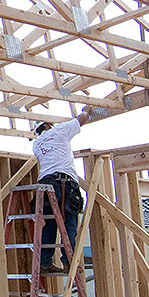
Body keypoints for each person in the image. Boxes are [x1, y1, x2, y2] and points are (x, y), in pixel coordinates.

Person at [32, 105, 92, 276]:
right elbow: (82, 119)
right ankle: (69, 263)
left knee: (50, 224)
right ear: (48, 125)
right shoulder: (59, 131)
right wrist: (87, 110)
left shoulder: (36, 145)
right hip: (64, 184)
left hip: (45, 186)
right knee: (69, 224)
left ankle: (44, 262)